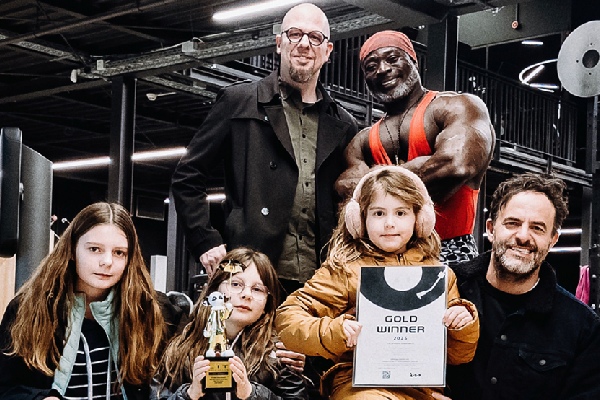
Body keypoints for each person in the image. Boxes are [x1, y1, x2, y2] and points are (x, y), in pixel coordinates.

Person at [171, 2, 358, 295]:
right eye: (295, 34)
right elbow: (187, 177)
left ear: (328, 51)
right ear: (279, 43)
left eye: (315, 37)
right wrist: (205, 240)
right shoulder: (239, 103)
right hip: (251, 273)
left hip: (322, 279)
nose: (304, 44)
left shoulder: (344, 124)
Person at [275, 165, 479, 399]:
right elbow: (288, 320)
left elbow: (459, 356)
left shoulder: (439, 276)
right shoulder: (345, 270)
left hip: (421, 387)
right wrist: (336, 331)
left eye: (400, 213)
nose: (389, 223)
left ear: (420, 218)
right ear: (359, 219)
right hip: (358, 385)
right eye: (378, 213)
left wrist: (462, 325)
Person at [335, 30, 495, 267]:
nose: (382, 69)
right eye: (371, 66)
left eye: (392, 59)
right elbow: (346, 193)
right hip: (385, 258)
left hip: (450, 252)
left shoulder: (456, 106)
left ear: (413, 60)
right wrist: (420, 168)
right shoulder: (363, 139)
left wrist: (376, 180)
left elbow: (455, 165)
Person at [0, 202, 184, 400]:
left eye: (119, 253)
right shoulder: (28, 309)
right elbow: (6, 387)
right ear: (72, 250)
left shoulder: (151, 309)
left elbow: (177, 382)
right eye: (95, 249)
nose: (107, 261)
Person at [446, 173, 600, 399]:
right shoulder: (444, 290)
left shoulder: (582, 329)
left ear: (553, 240)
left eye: (537, 228)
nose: (523, 236)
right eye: (513, 223)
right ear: (491, 229)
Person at [152, 247, 307, 400]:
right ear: (214, 290)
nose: (246, 294)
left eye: (257, 289)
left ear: (267, 304)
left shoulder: (280, 355)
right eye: (236, 284)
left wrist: (252, 393)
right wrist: (188, 394)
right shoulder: (179, 349)